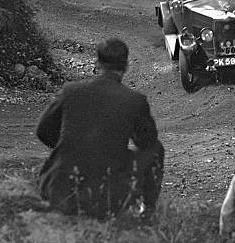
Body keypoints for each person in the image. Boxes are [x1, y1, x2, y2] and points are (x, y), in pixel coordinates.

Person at [36, 38, 164, 220]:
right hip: (104, 198)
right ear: (126, 66)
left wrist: (72, 145)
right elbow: (147, 142)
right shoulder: (134, 101)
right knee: (156, 149)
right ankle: (147, 211)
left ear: (97, 63)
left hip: (58, 187)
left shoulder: (71, 90)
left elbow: (43, 130)